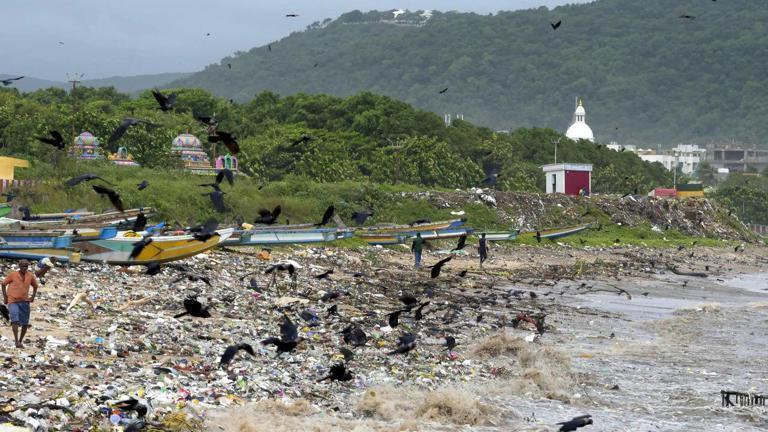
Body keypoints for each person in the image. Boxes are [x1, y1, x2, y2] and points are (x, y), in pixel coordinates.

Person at [2, 260, 39, 349]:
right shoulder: (13, 274)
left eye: (26, 266)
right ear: (19, 266)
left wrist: (33, 297)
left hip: (24, 301)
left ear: (28, 267)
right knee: (15, 320)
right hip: (13, 300)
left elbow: (35, 286)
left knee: (25, 323)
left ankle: (20, 340)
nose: (24, 268)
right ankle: (16, 341)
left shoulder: (30, 276)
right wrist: (6, 297)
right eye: (22, 266)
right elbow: (3, 284)